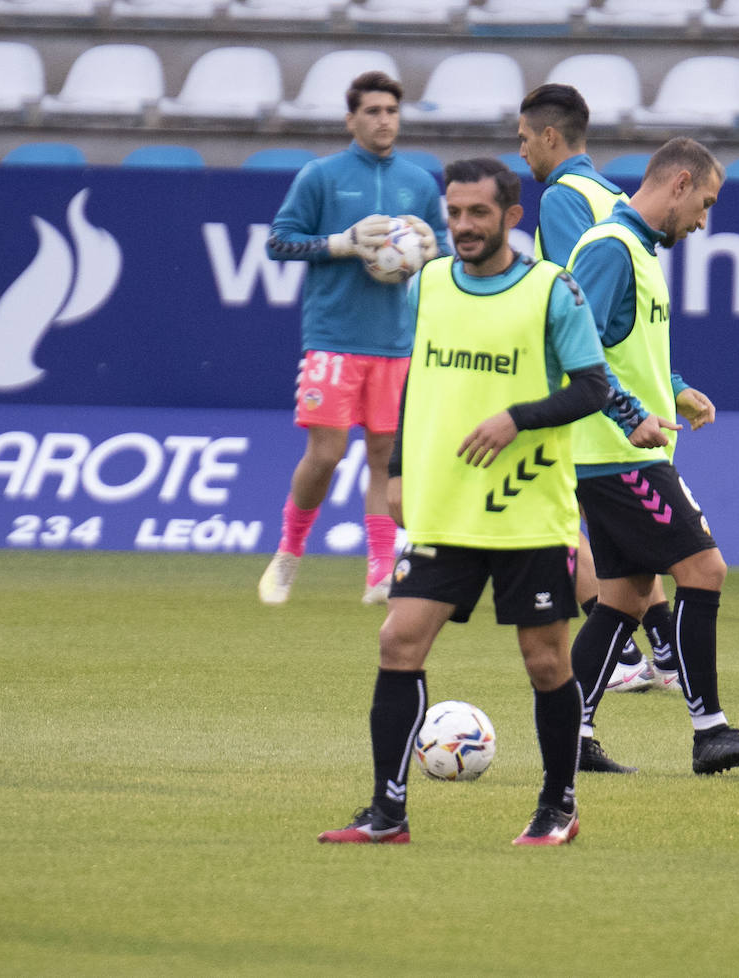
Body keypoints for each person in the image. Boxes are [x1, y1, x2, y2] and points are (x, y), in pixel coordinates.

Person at [318, 158, 611, 847]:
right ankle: (388, 814)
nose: (464, 226)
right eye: (454, 214)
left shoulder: (551, 290)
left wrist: (518, 418)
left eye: (478, 213)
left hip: (526, 509)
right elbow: (416, 382)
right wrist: (392, 471)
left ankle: (557, 808)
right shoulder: (429, 285)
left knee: (545, 662)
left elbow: (592, 388)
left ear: (512, 216)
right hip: (445, 509)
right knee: (398, 642)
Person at [564, 137, 739, 776]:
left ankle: (569, 733)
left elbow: (627, 346)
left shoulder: (638, 252)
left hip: (620, 452)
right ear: (678, 183)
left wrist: (675, 389)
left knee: (623, 597)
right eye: (705, 203)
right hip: (617, 454)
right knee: (705, 569)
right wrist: (631, 414)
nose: (704, 221)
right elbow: (579, 347)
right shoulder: (609, 248)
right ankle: (709, 731)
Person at [517, 83, 682, 716]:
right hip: (629, 398)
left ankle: (629, 660)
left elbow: (574, 309)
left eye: (526, 138)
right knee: (631, 541)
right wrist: (676, 383)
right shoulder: (610, 194)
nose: (522, 150)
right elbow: (632, 314)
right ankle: (662, 653)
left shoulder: (562, 198)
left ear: (551, 137)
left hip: (587, 402)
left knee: (560, 525)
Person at [259, 70, 446, 606]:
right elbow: (278, 242)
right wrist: (339, 243)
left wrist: (433, 253)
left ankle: (380, 571)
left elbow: (443, 255)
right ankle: (290, 551)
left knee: (384, 458)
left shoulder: (419, 182)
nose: (384, 119)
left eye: (391, 110)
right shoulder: (321, 176)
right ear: (351, 119)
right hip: (334, 337)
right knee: (327, 452)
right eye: (372, 111)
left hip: (396, 341)